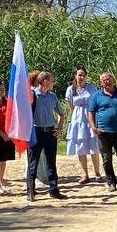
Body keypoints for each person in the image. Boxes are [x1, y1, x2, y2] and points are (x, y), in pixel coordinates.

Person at [87, 72, 117, 191]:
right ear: (101, 83)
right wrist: (94, 128)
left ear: (113, 80)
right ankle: (111, 182)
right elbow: (91, 112)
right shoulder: (97, 96)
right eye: (104, 80)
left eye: (108, 79)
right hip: (103, 132)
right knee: (107, 159)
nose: (107, 81)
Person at [28, 71, 67, 202]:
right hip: (36, 132)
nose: (53, 82)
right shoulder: (32, 95)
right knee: (33, 162)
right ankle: (30, 190)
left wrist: (60, 127)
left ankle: (54, 189)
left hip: (50, 132)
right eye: (51, 80)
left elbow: (61, 113)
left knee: (51, 162)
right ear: (44, 81)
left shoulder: (52, 96)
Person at [65, 67, 103, 184]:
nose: (81, 77)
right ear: (75, 76)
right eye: (79, 75)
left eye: (83, 75)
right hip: (78, 119)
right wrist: (76, 116)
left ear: (86, 76)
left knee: (94, 147)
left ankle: (97, 173)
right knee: (80, 148)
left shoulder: (91, 87)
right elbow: (70, 105)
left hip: (90, 117)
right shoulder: (71, 89)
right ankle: (85, 174)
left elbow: (96, 102)